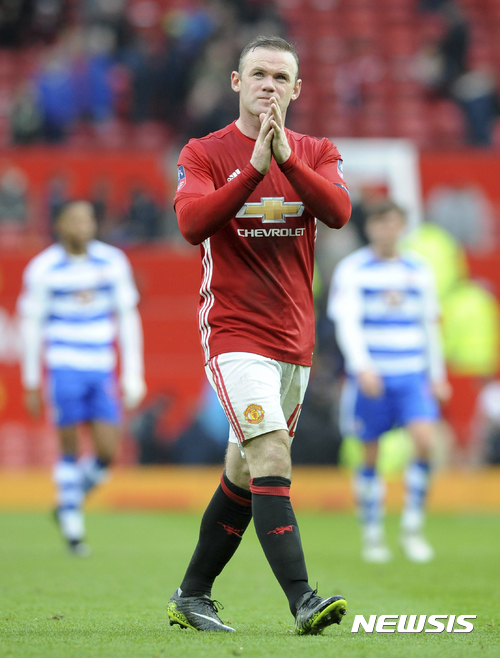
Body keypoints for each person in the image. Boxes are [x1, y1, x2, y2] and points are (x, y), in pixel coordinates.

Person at [167, 35, 351, 635]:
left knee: (246, 472)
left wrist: (287, 161)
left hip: (294, 341)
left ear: (297, 89)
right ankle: (303, 600)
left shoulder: (317, 151)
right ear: (236, 83)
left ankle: (192, 594)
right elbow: (193, 223)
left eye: (280, 76)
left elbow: (340, 212)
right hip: (234, 332)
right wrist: (252, 171)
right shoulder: (205, 152)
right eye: (258, 74)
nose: (268, 85)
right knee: (272, 452)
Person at [17, 200, 146, 556]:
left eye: (88, 217)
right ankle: (74, 530)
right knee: (70, 446)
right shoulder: (43, 268)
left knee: (107, 452)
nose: (83, 225)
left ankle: (66, 503)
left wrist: (133, 373)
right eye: (74, 219)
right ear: (59, 224)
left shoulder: (112, 262)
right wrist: (31, 380)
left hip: (101, 365)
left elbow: (128, 317)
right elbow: (31, 326)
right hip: (63, 365)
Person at [327, 200, 451, 564]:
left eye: (393, 223)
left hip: (410, 373)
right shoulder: (353, 269)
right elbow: (346, 323)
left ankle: (412, 527)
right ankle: (373, 532)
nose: (387, 230)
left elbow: (430, 325)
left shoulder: (418, 269)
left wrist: (438, 374)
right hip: (373, 376)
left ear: (402, 226)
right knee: (370, 453)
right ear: (370, 228)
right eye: (380, 223)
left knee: (425, 442)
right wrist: (362, 367)